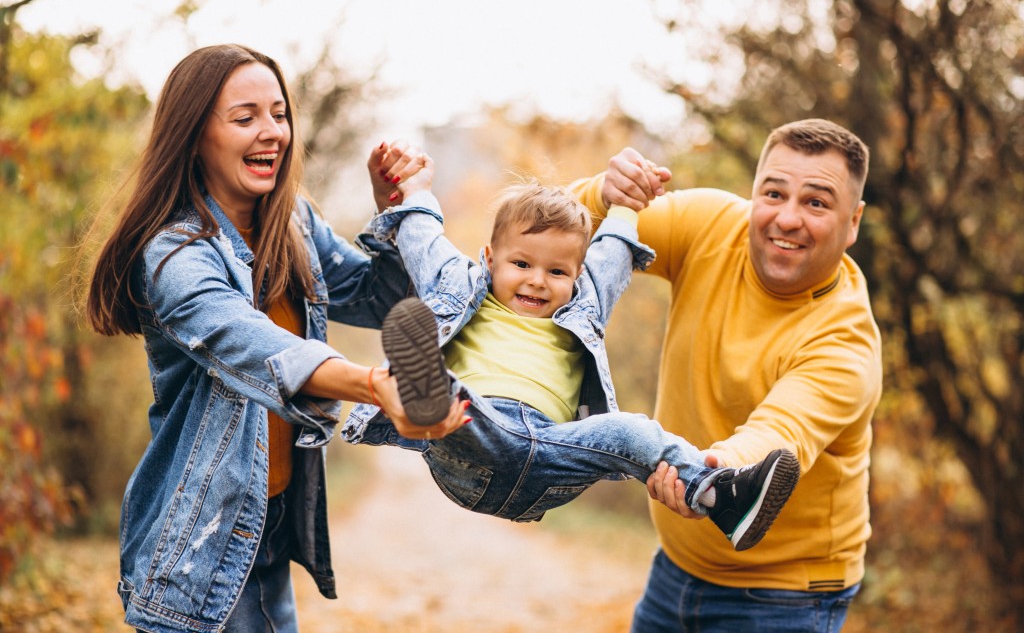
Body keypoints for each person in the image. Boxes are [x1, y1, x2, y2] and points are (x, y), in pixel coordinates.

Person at [84, 44, 465, 633]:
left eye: (279, 114)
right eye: (245, 118)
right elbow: (261, 348)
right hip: (197, 545)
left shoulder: (292, 226)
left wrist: (396, 207)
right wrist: (375, 384)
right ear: (194, 134)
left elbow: (381, 297)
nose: (273, 133)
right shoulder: (174, 254)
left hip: (268, 527)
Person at [342, 142, 800, 550]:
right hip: (468, 445)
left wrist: (626, 205)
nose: (538, 281)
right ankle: (425, 388)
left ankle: (720, 495)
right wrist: (415, 186)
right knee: (453, 398)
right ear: (488, 258)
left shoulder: (584, 306)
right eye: (521, 263)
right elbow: (422, 237)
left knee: (631, 431)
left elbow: (612, 254)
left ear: (575, 275)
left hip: (552, 457)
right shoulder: (458, 283)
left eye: (557, 272)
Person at [570, 118, 883, 632]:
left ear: (853, 222)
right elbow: (557, 232)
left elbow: (779, 435)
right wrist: (605, 195)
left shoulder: (845, 341)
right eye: (774, 193)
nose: (787, 218)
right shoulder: (712, 226)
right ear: (754, 192)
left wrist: (712, 473)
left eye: (817, 203)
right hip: (676, 567)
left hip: (785, 596)